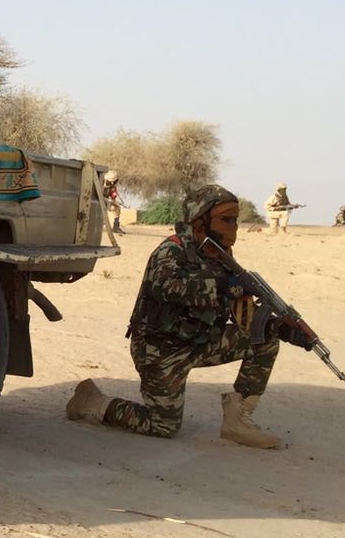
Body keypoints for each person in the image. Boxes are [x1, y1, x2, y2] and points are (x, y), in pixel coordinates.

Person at [64, 184, 315, 449]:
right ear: (200, 222)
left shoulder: (221, 256)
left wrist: (279, 328)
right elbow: (165, 286)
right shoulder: (172, 250)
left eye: (235, 220)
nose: (234, 227)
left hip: (201, 341)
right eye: (225, 220)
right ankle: (93, 402)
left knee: (264, 340)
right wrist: (221, 284)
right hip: (159, 351)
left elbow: (243, 316)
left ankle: (238, 420)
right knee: (163, 426)